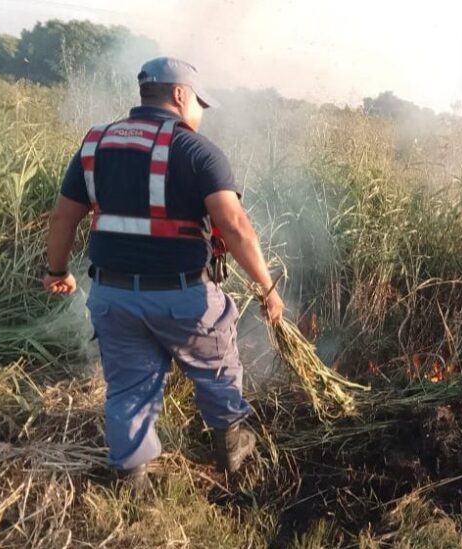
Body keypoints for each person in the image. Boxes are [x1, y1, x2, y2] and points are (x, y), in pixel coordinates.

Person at [42, 57, 285, 487]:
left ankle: (132, 478)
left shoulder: (96, 144)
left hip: (113, 298)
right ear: (179, 95)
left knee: (128, 389)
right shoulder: (195, 150)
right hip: (184, 299)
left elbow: (63, 218)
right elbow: (236, 227)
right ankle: (230, 448)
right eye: (198, 104)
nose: (199, 115)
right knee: (217, 371)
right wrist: (267, 287)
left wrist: (56, 270)